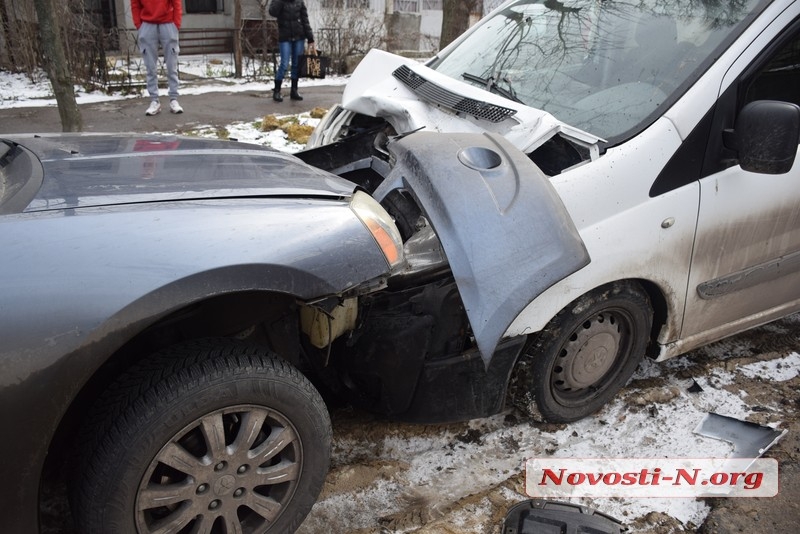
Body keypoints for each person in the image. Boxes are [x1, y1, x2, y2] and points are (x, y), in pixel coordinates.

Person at [130, 0, 183, 116]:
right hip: (147, 25)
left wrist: (176, 24)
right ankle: (154, 101)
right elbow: (135, 4)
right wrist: (139, 25)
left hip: (168, 23)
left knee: (172, 65)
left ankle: (174, 99)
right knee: (150, 66)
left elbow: (176, 2)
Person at [268, 0, 315, 102]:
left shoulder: (299, 2)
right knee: (284, 64)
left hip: (299, 36)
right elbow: (272, 12)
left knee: (296, 64)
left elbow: (305, 20)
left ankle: (294, 90)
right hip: (285, 37)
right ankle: (277, 91)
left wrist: (310, 38)